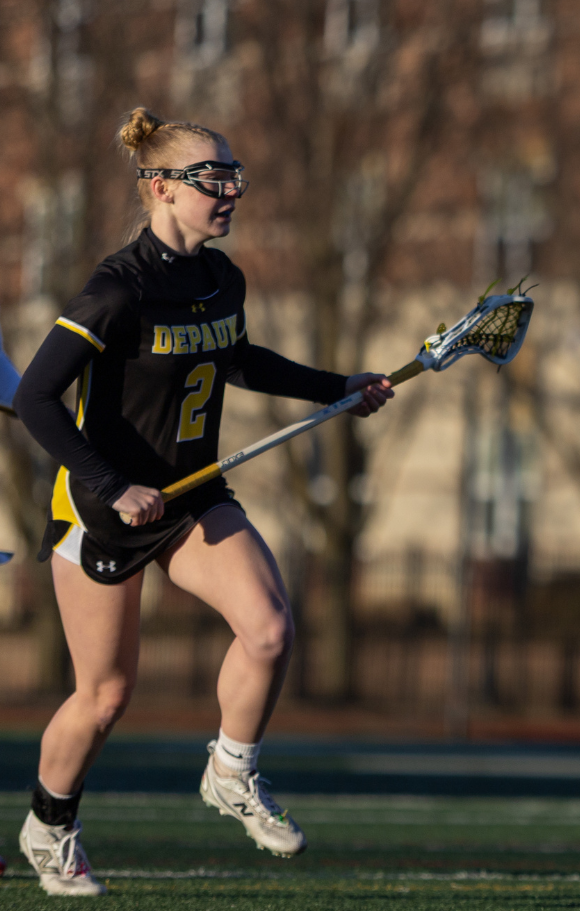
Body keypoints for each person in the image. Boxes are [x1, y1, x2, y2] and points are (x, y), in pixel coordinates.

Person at [12, 109, 395, 895]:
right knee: (106, 696)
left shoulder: (224, 278)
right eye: (211, 178)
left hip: (191, 494)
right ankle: (50, 828)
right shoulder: (117, 288)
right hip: (101, 507)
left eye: (233, 177)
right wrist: (113, 486)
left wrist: (339, 387)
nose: (230, 191)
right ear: (160, 188)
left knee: (269, 629)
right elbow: (42, 401)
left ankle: (231, 769)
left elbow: (239, 358)